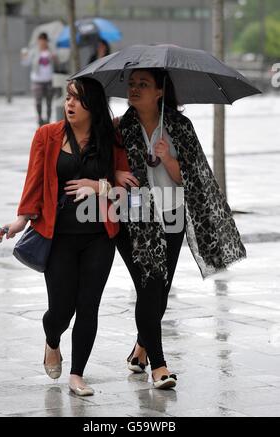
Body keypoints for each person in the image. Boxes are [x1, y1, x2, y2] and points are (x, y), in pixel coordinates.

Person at [115, 68, 246, 390]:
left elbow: (194, 177)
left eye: (143, 84)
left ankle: (140, 350)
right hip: (132, 220)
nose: (134, 89)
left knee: (158, 292)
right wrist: (116, 174)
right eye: (132, 84)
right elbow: (104, 167)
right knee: (149, 287)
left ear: (160, 91)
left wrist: (169, 159)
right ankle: (159, 366)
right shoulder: (118, 128)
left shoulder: (179, 126)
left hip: (171, 216)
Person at [0, 77, 127, 396]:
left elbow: (125, 190)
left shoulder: (110, 138)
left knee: (88, 305)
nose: (69, 104)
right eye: (68, 97)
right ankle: (52, 340)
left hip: (100, 234)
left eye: (78, 99)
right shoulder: (47, 135)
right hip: (58, 237)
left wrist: (100, 186)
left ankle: (77, 374)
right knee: (61, 310)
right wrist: (21, 219)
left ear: (92, 105)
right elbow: (34, 181)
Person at [21, 32, 57, 126]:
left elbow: (58, 62)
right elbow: (26, 63)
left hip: (49, 80)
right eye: (40, 41)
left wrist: (55, 58)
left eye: (43, 41)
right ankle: (40, 119)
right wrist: (24, 57)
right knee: (38, 102)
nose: (42, 43)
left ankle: (48, 120)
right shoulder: (34, 51)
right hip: (37, 80)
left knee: (49, 102)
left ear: (46, 41)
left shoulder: (51, 51)